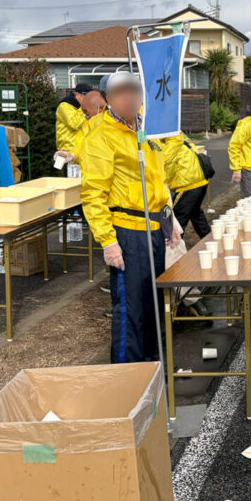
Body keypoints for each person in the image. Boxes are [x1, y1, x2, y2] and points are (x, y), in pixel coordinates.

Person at [80, 71, 177, 364]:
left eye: (134, 90)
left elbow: (158, 180)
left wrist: (169, 223)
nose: (129, 97)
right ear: (107, 99)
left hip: (155, 227)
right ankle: (126, 374)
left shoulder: (146, 128)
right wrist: (108, 241)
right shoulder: (102, 136)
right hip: (127, 232)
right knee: (130, 309)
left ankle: (150, 366)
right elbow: (93, 194)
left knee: (152, 304)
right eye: (121, 92)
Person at [161, 131, 211, 238]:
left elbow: (162, 162)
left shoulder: (166, 138)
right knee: (196, 214)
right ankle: (209, 239)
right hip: (199, 178)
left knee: (177, 219)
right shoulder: (177, 133)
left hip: (187, 183)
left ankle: (176, 250)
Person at [55, 83, 92, 153]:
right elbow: (74, 124)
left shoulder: (83, 108)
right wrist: (84, 108)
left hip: (83, 150)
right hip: (68, 150)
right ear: (77, 94)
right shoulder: (64, 106)